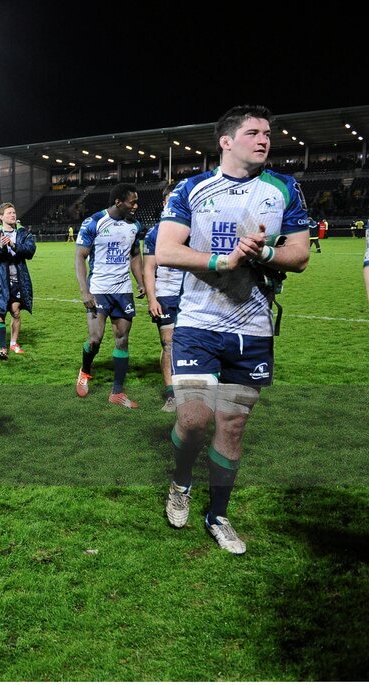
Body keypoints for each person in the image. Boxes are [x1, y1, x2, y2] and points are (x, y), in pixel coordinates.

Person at [157, 105, 310, 555]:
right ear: (226, 141)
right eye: (253, 133)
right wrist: (219, 261)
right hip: (199, 325)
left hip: (252, 331)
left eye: (267, 133)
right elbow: (166, 249)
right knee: (192, 419)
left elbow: (299, 255)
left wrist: (263, 254)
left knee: (233, 424)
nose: (264, 139)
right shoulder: (191, 188)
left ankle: (217, 515)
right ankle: (181, 482)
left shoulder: (284, 188)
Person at [74, 183, 145, 408]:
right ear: (118, 202)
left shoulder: (134, 225)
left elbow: (135, 256)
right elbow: (80, 257)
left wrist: (141, 282)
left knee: (122, 340)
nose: (136, 205)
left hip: (123, 291)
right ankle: (85, 372)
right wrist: (84, 290)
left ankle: (117, 392)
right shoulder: (94, 222)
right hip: (99, 289)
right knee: (95, 338)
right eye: (132, 201)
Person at [142, 185, 182, 412]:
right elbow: (149, 268)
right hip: (166, 294)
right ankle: (172, 395)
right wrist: (152, 299)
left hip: (192, 294)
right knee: (168, 344)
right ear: (165, 202)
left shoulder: (194, 229)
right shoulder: (155, 233)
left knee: (194, 345)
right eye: (170, 199)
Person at [0, 202, 36, 360]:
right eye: (9, 213)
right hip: (0, 280)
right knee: (0, 313)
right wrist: (1, 247)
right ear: (1, 217)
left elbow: (30, 251)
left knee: (16, 312)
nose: (13, 215)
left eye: (14, 212)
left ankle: (14, 343)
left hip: (18, 279)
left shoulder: (22, 233)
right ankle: (3, 348)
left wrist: (13, 245)